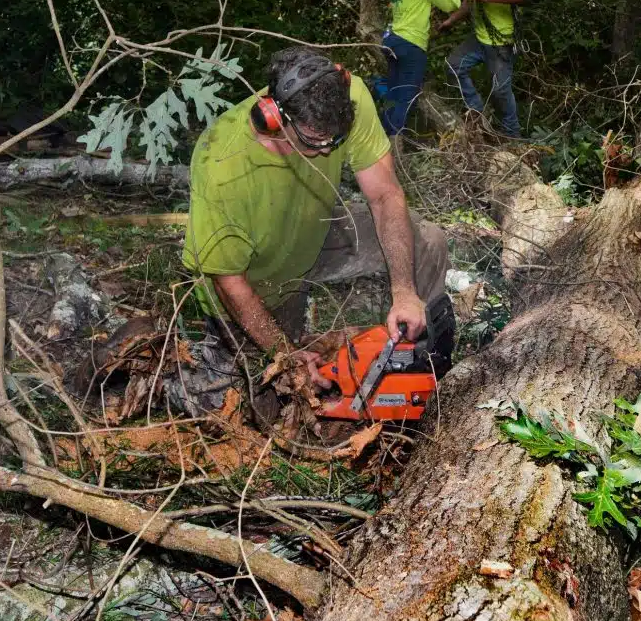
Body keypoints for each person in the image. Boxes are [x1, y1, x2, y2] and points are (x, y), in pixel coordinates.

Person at [182, 47, 450, 412]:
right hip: (251, 286)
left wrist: (404, 290)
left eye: (335, 139)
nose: (327, 150)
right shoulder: (222, 164)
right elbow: (229, 280)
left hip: (313, 234)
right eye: (314, 139)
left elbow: (385, 194)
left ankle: (427, 369)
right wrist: (285, 354)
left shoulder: (347, 95)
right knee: (263, 410)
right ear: (273, 117)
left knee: (428, 241)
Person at [439, 0, 524, 138]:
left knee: (501, 91)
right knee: (453, 66)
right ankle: (477, 112)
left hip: (499, 43)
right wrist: (450, 21)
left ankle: (513, 136)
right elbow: (468, 3)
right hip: (478, 40)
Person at [381, 0, 461, 135]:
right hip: (412, 45)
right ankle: (391, 142)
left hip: (392, 40)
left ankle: (379, 133)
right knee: (406, 98)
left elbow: (406, 0)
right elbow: (450, 6)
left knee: (393, 93)